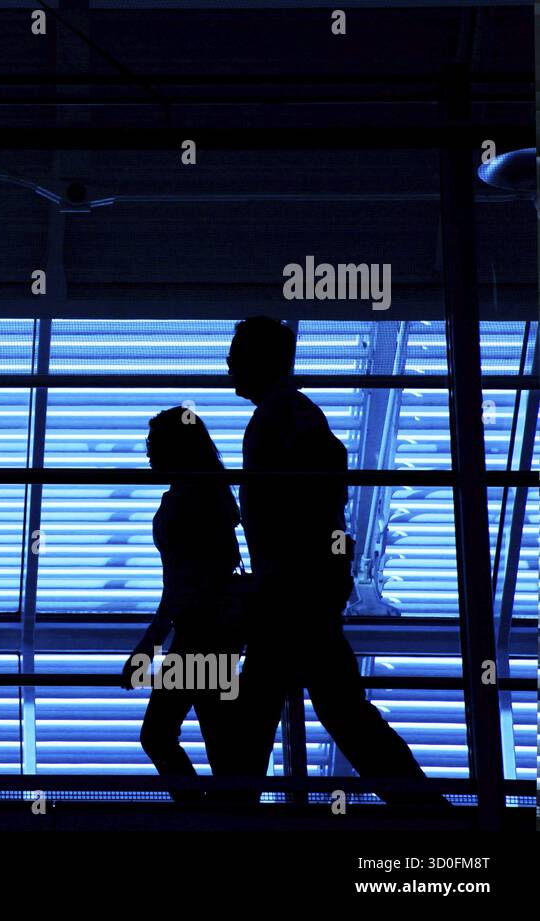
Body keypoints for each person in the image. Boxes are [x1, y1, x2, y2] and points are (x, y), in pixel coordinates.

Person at [225, 316, 446, 807]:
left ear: (261, 359)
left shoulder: (277, 420)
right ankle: (425, 809)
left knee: (265, 709)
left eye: (237, 353)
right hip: (303, 594)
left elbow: (299, 509)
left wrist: (281, 579)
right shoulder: (297, 415)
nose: (229, 364)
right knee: (336, 711)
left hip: (289, 597)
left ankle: (232, 814)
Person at [121, 407, 244, 803]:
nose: (148, 454)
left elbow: (179, 585)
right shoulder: (207, 495)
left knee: (161, 733)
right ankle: (222, 815)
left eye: (154, 445)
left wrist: (148, 646)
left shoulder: (188, 501)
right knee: (216, 733)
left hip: (199, 632)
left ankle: (207, 814)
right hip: (214, 630)